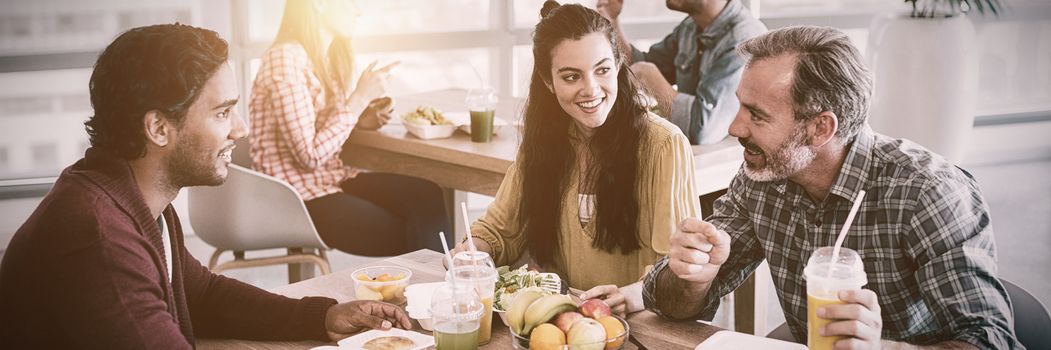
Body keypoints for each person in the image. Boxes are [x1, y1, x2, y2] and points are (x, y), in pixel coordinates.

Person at [0, 24, 411, 349]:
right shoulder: (98, 235)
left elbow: (202, 295)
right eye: (222, 112)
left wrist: (322, 317)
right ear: (158, 128)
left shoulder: (133, 199)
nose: (241, 129)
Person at [642, 26, 1022, 349]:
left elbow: (990, 339)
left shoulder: (930, 192)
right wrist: (693, 276)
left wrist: (884, 347)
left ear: (821, 128)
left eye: (757, 115)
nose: (735, 128)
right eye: (741, 107)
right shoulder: (763, 175)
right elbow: (673, 307)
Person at [449, 1, 700, 316]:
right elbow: (500, 230)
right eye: (571, 77)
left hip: (638, 329)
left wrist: (632, 295)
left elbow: (678, 270)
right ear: (547, 81)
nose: (591, 89)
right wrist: (475, 252)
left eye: (602, 70)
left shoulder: (665, 145)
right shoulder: (543, 142)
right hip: (558, 325)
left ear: (619, 65)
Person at [249, 0, 451, 256]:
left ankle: (437, 290)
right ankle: (435, 291)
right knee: (413, 232)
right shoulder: (284, 59)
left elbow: (320, 131)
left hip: (333, 178)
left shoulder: (326, 58)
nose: (358, 11)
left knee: (427, 195)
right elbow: (309, 155)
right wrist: (359, 99)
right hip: (296, 198)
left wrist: (360, 118)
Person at [597, 0, 766, 145]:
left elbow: (702, 129)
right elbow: (635, 66)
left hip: (729, 172)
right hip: (698, 160)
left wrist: (647, 73)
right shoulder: (690, 27)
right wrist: (611, 19)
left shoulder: (744, 39)